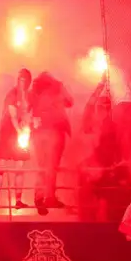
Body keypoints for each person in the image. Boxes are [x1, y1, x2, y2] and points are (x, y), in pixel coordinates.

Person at [28, 72, 74, 215]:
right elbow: (70, 101)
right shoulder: (57, 88)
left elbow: (26, 108)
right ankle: (49, 197)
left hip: (38, 132)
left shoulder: (34, 91)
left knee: (42, 166)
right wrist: (61, 86)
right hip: (54, 131)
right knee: (51, 166)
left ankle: (39, 196)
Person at [0, 69, 32, 211]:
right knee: (1, 167)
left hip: (20, 134)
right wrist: (20, 133)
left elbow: (29, 113)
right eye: (20, 79)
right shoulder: (12, 94)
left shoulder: (29, 96)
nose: (22, 82)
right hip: (7, 134)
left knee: (20, 167)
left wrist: (29, 126)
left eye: (24, 80)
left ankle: (18, 200)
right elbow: (12, 115)